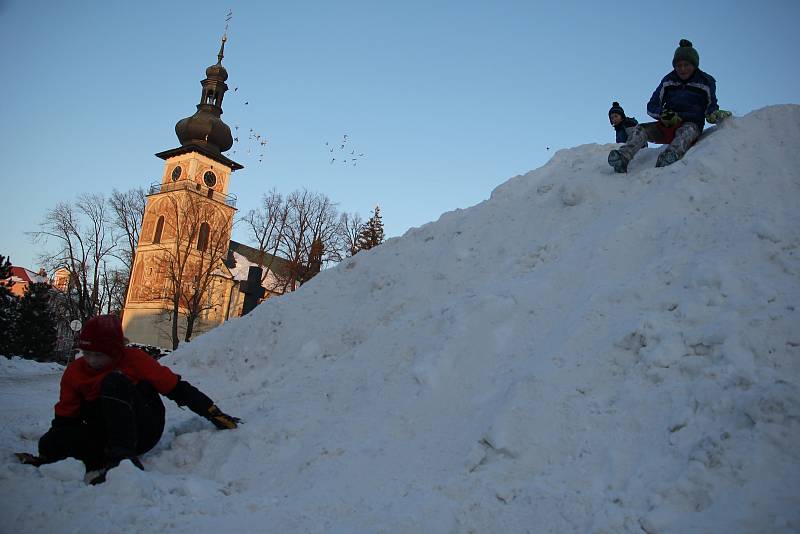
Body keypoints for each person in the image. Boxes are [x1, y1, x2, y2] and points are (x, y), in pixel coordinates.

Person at [18, 314, 240, 484]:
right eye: (87, 354)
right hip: (104, 432)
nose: (92, 361)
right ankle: (101, 459)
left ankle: (123, 459)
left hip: (142, 428)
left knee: (114, 382)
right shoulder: (75, 372)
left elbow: (176, 388)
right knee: (49, 443)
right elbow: (66, 416)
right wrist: (54, 448)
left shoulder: (134, 359)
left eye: (99, 355)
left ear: (115, 351)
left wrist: (211, 411)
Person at [608, 39, 732, 173]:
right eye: (679, 65)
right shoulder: (668, 81)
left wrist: (714, 114)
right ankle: (623, 157)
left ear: (694, 64)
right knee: (640, 129)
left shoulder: (706, 82)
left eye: (686, 65)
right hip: (668, 123)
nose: (682, 69)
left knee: (686, 132)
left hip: (691, 124)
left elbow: (710, 106)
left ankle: (670, 156)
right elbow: (652, 105)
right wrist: (663, 114)